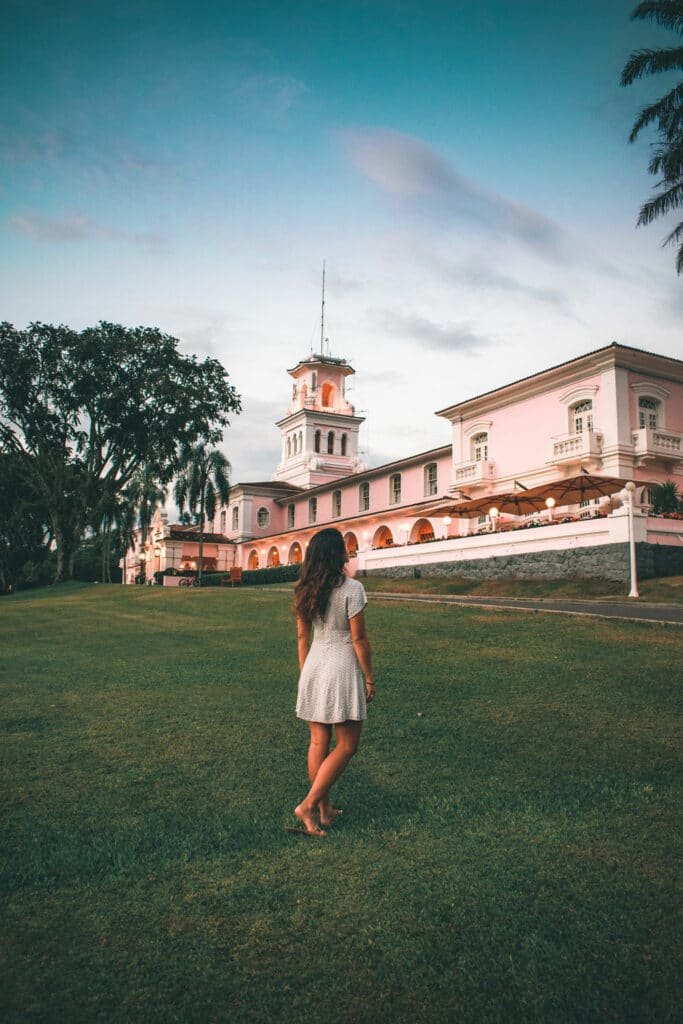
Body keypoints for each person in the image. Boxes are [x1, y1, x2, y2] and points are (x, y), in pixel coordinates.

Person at [292, 527, 375, 837]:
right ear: (337, 553)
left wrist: (306, 675)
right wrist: (369, 677)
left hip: (314, 664)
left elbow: (302, 636)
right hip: (340, 665)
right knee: (348, 744)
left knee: (318, 742)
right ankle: (310, 805)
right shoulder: (352, 589)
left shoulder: (304, 588)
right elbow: (359, 638)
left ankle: (325, 811)